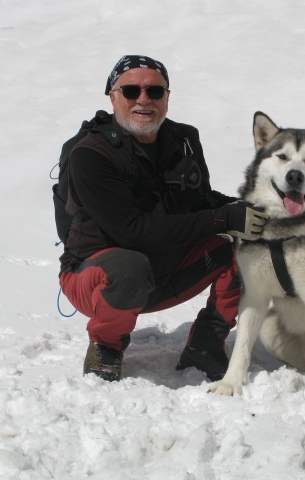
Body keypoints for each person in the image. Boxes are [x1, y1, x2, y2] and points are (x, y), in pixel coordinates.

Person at [58, 55, 268, 382]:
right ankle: (106, 347)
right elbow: (133, 231)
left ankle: (207, 342)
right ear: (113, 97)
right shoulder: (90, 154)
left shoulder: (182, 141)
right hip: (95, 278)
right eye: (130, 91)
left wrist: (249, 211)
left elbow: (201, 203)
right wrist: (222, 219)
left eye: (154, 92)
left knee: (248, 245)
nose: (144, 100)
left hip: (166, 272)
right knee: (129, 270)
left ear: (167, 98)